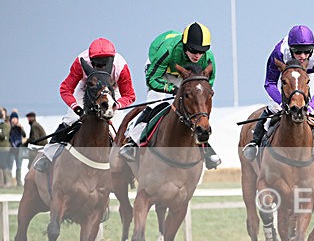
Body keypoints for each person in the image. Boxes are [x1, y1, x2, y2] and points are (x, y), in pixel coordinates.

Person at [120, 22, 220, 169]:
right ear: (185, 45)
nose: (197, 55)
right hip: (160, 71)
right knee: (155, 104)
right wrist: (172, 90)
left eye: (201, 51)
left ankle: (205, 147)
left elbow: (207, 84)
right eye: (193, 50)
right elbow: (152, 79)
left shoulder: (208, 58)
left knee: (195, 109)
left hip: (185, 75)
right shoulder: (168, 50)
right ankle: (132, 142)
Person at [34, 37, 136, 172]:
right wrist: (75, 108)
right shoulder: (80, 61)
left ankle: (128, 164)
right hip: (87, 88)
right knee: (70, 120)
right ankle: (48, 155)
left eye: (104, 64)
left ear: (112, 60)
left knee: (119, 125)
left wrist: (116, 105)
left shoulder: (121, 66)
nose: (100, 67)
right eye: (96, 64)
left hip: (110, 91)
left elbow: (130, 95)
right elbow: (65, 88)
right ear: (90, 60)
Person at [241, 25, 314, 161]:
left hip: (308, 75)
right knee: (274, 107)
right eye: (298, 52)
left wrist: (311, 107)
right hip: (285, 75)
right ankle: (255, 142)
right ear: (290, 49)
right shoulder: (279, 52)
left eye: (307, 52)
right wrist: (283, 104)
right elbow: (270, 83)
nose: (302, 56)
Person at [8, 111, 26, 186]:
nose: (14, 120)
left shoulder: (19, 127)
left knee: (19, 166)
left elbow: (24, 135)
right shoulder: (9, 128)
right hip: (11, 149)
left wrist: (21, 128)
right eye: (13, 118)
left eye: (16, 118)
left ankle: (19, 182)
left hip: (19, 149)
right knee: (10, 166)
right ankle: (9, 182)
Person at [0, 108, 11, 187]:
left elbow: (3, 136)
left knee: (4, 165)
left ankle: (8, 182)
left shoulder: (6, 126)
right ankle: (1, 183)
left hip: (4, 148)